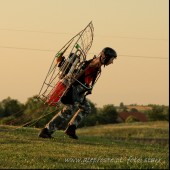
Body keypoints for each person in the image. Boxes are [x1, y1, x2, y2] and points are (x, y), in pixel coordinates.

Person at [38, 47, 117, 139]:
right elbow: (87, 67)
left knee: (86, 108)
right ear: (105, 57)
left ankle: (71, 129)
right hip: (74, 89)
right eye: (111, 59)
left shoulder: (97, 66)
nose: (112, 62)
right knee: (69, 109)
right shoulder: (93, 63)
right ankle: (46, 131)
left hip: (80, 91)